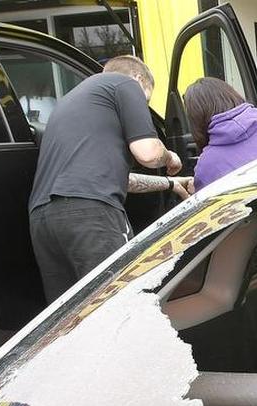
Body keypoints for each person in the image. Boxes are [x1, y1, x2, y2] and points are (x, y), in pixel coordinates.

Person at [28, 55, 194, 302]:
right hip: (91, 214)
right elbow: (148, 153)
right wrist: (171, 158)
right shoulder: (125, 84)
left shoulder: (71, 102)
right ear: (139, 79)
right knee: (116, 303)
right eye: (145, 100)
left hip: (42, 219)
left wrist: (171, 183)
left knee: (68, 318)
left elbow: (122, 181)